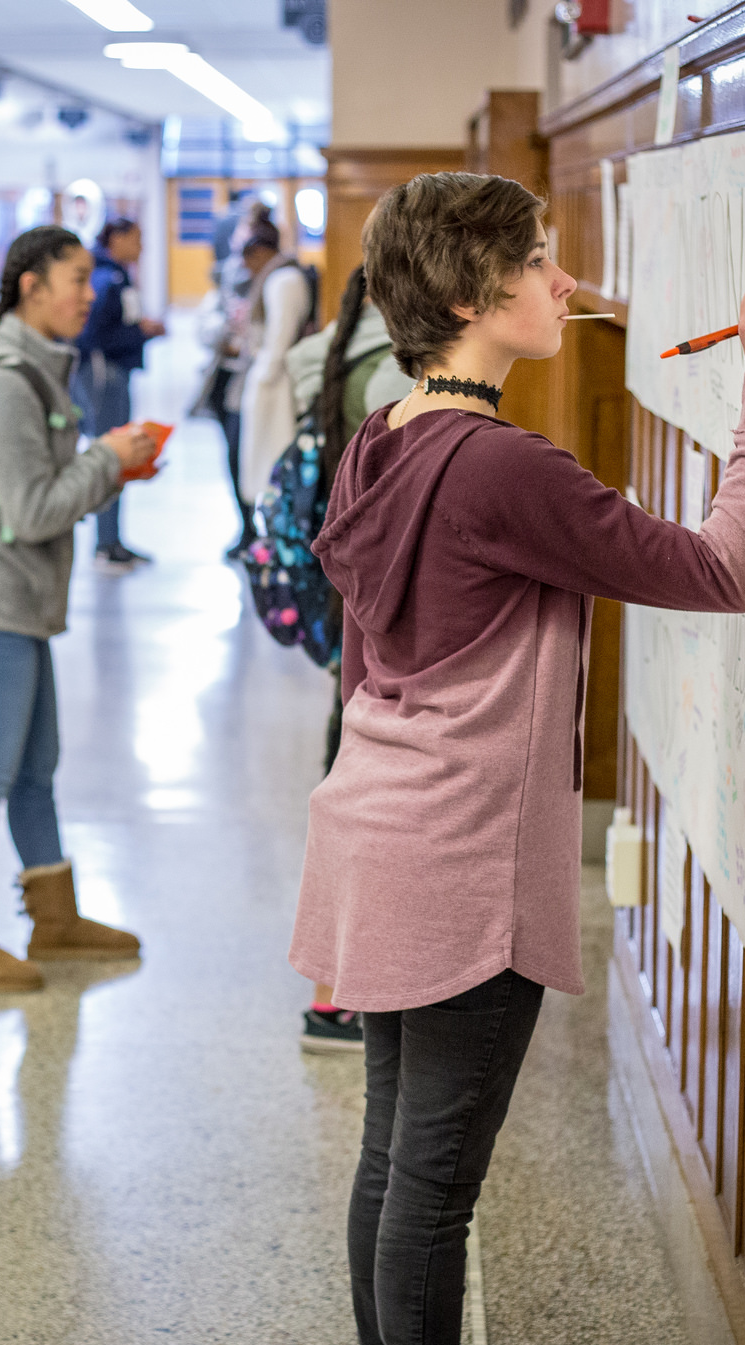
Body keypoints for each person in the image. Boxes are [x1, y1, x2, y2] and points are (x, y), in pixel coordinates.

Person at [290, 171, 745, 1345]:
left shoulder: (383, 436)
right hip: (455, 858)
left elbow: (367, 657)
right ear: (475, 293)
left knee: (393, 1152)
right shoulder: (503, 469)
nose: (562, 280)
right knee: (432, 1185)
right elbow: (722, 572)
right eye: (537, 261)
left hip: (373, 825)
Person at [0, 226, 159, 994]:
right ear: (31, 285)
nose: (88, 293)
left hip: (21, 606)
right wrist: (107, 460)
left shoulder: (38, 371)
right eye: (76, 278)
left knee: (35, 775)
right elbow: (30, 512)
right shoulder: (7, 383)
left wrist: (108, 466)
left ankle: (55, 920)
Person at [280, 265, 411, 1055]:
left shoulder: (327, 355)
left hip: (342, 578)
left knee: (348, 765)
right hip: (377, 589)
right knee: (363, 781)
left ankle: (334, 988)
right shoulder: (390, 380)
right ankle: (336, 998)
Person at [70, 217, 165, 572]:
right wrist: (140, 333)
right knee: (112, 452)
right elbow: (95, 334)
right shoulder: (104, 278)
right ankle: (106, 543)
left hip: (115, 372)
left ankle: (112, 539)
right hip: (102, 375)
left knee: (119, 456)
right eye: (137, 238)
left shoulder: (117, 274)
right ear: (118, 238)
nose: (142, 247)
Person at [233, 218, 313, 537]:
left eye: (249, 260)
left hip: (279, 384)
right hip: (272, 379)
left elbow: (280, 336)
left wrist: (262, 378)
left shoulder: (284, 280)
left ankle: (277, 533)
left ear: (261, 253)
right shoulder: (279, 277)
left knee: (274, 460)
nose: (248, 268)